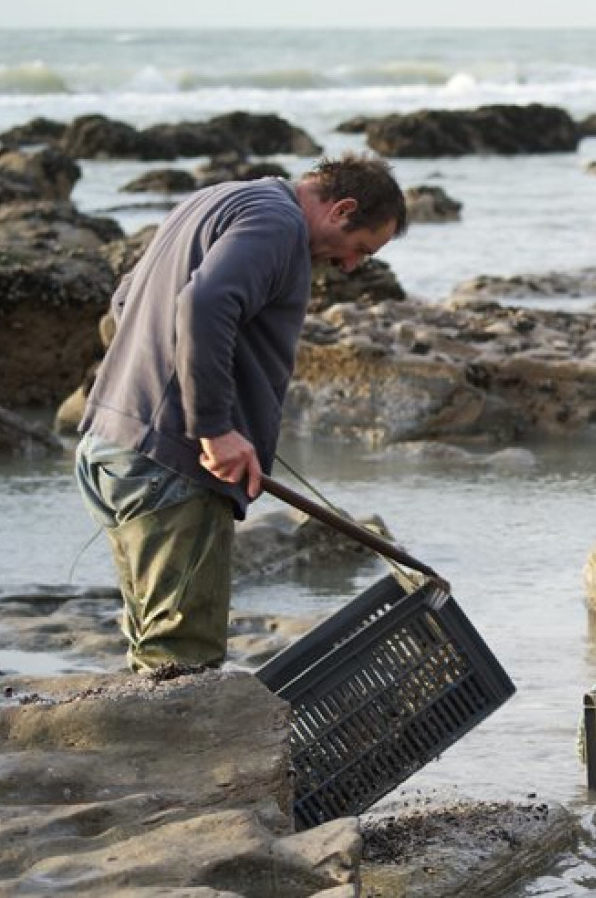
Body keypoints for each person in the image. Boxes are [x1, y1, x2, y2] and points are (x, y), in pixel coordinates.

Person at [75, 153, 408, 673]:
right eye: (360, 249)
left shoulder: (216, 199)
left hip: (111, 446)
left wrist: (148, 393)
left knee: (153, 647)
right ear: (342, 209)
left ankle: (148, 751)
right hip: (170, 466)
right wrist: (214, 428)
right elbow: (203, 305)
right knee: (182, 660)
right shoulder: (277, 223)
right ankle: (176, 754)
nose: (350, 266)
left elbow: (124, 301)